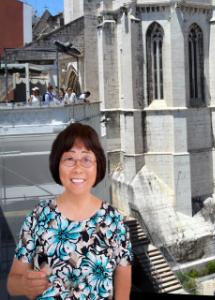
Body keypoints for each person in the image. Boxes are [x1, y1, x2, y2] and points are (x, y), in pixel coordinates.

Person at [6, 123, 132, 299]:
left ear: (98, 166)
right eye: (69, 159)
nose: (78, 168)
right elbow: (12, 283)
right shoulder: (38, 217)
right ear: (57, 164)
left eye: (86, 159)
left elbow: (123, 287)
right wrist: (25, 285)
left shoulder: (114, 220)